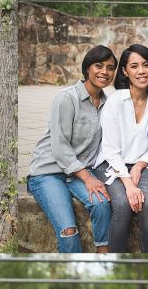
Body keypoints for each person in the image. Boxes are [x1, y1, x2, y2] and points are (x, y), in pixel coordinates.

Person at [26, 46, 116, 254]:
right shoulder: (66, 98)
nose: (104, 72)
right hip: (49, 173)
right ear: (87, 69)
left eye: (110, 68)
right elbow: (60, 146)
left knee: (102, 204)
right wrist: (89, 179)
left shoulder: (108, 104)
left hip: (77, 173)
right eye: (99, 66)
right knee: (68, 230)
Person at [97, 44, 148, 253]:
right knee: (123, 205)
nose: (141, 71)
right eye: (134, 66)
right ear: (125, 71)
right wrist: (128, 183)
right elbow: (110, 149)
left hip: (144, 163)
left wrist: (139, 166)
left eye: (146, 65)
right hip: (111, 163)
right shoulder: (115, 101)